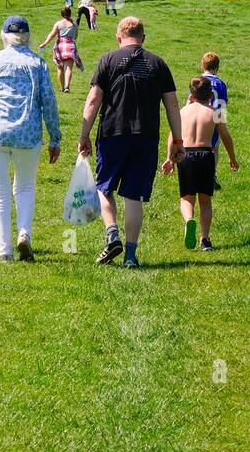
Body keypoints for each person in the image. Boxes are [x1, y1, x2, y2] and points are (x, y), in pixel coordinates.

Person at [78, 16, 183, 268]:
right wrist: (178, 139)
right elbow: (172, 105)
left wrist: (84, 134)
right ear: (143, 38)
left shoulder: (108, 60)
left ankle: (112, 233)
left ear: (118, 37)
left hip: (113, 133)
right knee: (133, 197)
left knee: (104, 187)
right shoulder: (158, 64)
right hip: (146, 136)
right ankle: (130, 256)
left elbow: (93, 100)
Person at [0, 16, 61, 261]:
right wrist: (55, 138)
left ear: (4, 36)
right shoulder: (37, 63)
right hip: (28, 134)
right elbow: (49, 103)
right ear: (27, 37)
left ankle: (3, 251)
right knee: (24, 187)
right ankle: (24, 233)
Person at [163, 76, 239, 251]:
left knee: (186, 198)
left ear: (192, 94)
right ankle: (205, 239)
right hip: (206, 155)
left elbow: (173, 135)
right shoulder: (215, 112)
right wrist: (232, 158)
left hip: (185, 155)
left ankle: (189, 219)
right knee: (205, 201)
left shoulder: (183, 111)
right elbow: (226, 137)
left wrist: (169, 158)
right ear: (211, 94)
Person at [198, 52, 229, 190]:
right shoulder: (221, 84)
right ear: (217, 68)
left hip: (199, 117)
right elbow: (222, 104)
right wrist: (221, 121)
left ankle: (198, 173)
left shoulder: (198, 80)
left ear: (202, 65)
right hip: (216, 118)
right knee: (214, 149)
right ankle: (211, 175)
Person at [38, 7, 81, 92]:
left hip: (60, 45)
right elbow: (75, 36)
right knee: (69, 68)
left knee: (60, 67)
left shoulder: (58, 24)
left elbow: (52, 35)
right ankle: (67, 87)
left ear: (62, 14)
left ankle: (62, 87)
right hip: (70, 45)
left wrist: (45, 43)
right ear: (70, 13)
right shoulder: (75, 24)